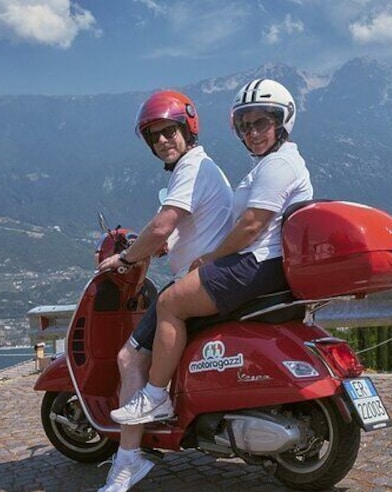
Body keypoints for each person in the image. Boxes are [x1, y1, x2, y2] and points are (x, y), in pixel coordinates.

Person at [111, 79, 314, 425]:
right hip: (265, 263)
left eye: (262, 123)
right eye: (245, 125)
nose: (252, 132)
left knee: (170, 302)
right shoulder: (274, 163)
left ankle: (155, 397)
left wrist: (212, 257)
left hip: (256, 263)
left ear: (283, 122)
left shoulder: (278, 165)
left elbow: (252, 225)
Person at [95, 90, 233, 492]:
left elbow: (162, 226)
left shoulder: (192, 167)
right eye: (154, 136)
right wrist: (151, 247)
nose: (162, 141)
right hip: (209, 276)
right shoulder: (197, 169)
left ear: (187, 129)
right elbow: (172, 233)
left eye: (169, 131)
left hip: (197, 283)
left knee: (128, 357)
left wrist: (123, 259)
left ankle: (128, 459)